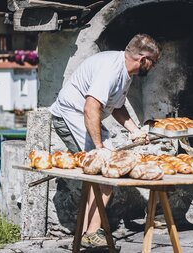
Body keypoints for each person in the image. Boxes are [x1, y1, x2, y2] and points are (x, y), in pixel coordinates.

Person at [49, 34, 161, 248]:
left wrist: (135, 130)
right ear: (142, 59)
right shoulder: (110, 69)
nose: (153, 67)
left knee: (106, 175)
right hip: (70, 115)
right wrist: (99, 148)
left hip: (84, 116)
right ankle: (89, 234)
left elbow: (116, 106)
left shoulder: (125, 72)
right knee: (103, 171)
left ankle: (88, 233)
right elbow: (90, 107)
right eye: (153, 62)